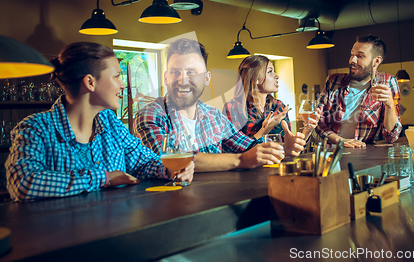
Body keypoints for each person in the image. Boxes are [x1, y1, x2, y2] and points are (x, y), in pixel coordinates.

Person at [5, 42, 194, 202]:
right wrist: (103, 178)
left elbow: (142, 161)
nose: (123, 84)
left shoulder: (110, 122)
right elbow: (23, 183)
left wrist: (170, 170)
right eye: (117, 76)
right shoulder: (35, 128)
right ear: (90, 82)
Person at [134, 38, 305, 172]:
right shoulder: (152, 115)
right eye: (175, 72)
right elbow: (172, 161)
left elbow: (249, 147)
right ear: (165, 77)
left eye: (192, 72)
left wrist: (284, 148)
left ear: (207, 78)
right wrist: (241, 160)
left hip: (215, 202)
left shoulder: (214, 116)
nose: (183, 79)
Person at [317, 35, 402, 148]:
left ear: (376, 61)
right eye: (352, 54)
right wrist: (339, 140)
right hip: (331, 153)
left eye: (360, 56)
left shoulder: (387, 82)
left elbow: (391, 137)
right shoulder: (334, 81)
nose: (353, 60)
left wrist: (390, 105)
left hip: (364, 154)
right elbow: (317, 121)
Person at [223, 55, 319, 140]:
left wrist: (307, 130)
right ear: (255, 78)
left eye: (274, 71)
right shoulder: (233, 108)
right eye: (270, 72)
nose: (277, 76)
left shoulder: (279, 106)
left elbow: (291, 150)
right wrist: (265, 130)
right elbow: (234, 150)